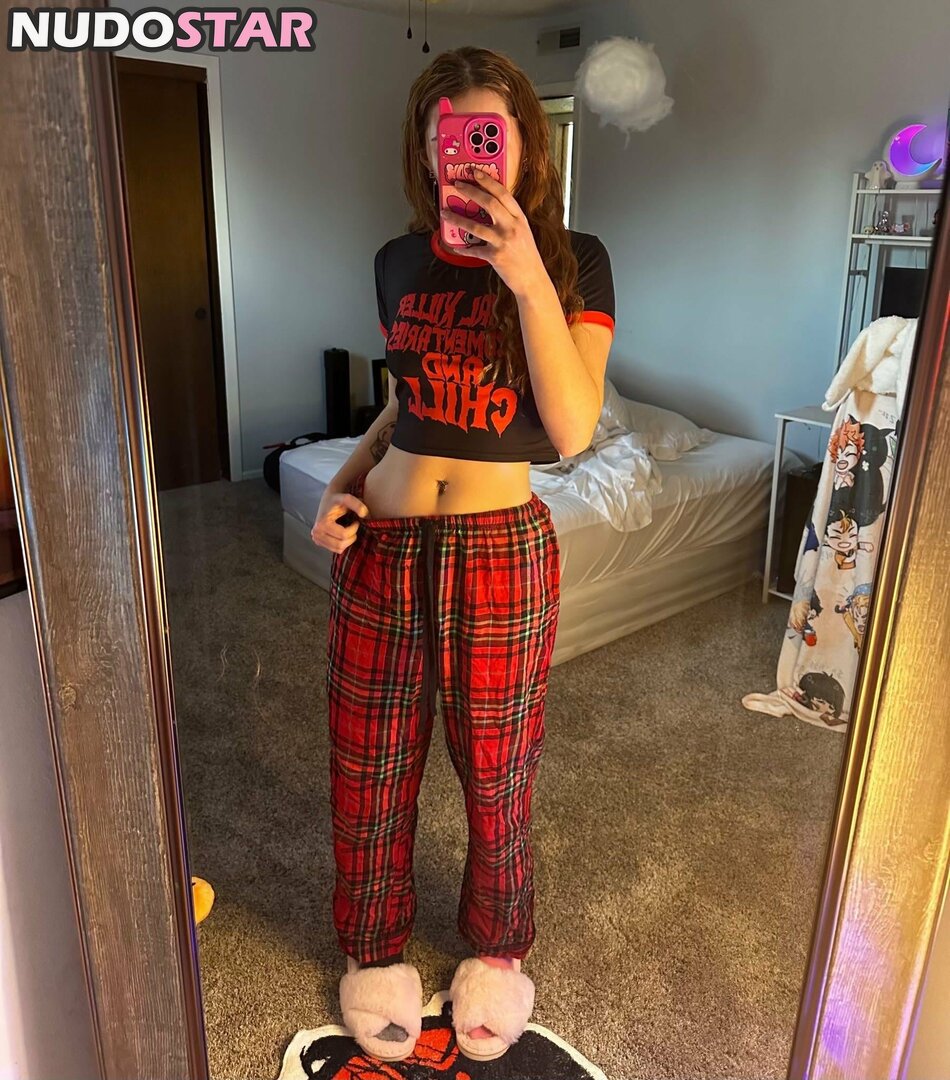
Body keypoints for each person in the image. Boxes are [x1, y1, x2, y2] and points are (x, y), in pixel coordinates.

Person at [310, 45, 615, 1065]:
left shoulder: (576, 260)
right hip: (385, 543)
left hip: (499, 551)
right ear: (426, 149)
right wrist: (345, 482)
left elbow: (571, 428)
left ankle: (496, 953)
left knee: (498, 772)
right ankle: (372, 954)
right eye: (449, 138)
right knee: (368, 762)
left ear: (523, 141)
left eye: (489, 133)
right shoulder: (397, 263)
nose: (469, 155)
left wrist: (524, 274)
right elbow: (403, 405)